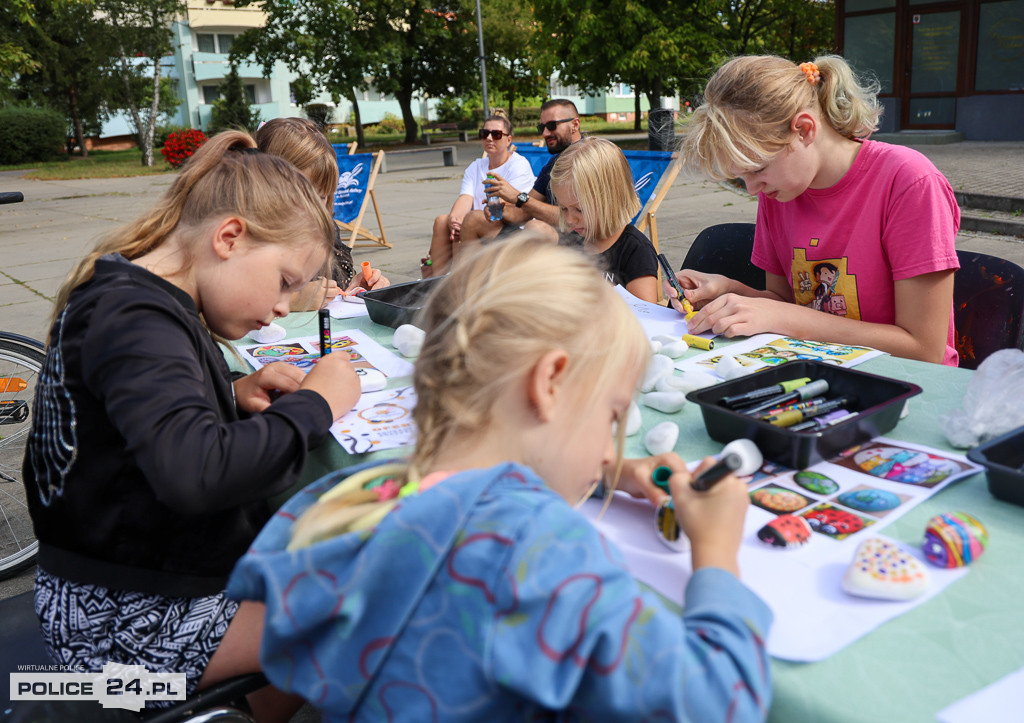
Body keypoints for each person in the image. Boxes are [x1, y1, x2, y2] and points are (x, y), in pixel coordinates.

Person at [228, 235, 773, 721]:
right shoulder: (540, 553)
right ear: (550, 380)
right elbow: (718, 703)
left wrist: (602, 474)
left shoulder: (351, 497)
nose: (610, 444)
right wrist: (718, 553)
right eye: (610, 417)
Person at [24, 130, 361, 718]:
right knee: (365, 607)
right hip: (119, 621)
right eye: (284, 280)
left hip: (109, 588)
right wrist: (319, 405)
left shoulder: (132, 294)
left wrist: (231, 396)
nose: (285, 306)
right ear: (229, 237)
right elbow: (196, 474)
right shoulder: (137, 320)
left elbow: (133, 430)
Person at [671, 55, 960, 366]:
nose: (752, 190)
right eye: (741, 176)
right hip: (817, 370)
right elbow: (783, 304)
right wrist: (726, 292)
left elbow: (924, 349)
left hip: (907, 382)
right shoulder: (780, 191)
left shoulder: (909, 182)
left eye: (758, 169)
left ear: (804, 130)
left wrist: (786, 317)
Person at [256, 116, 389, 310]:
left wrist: (354, 288)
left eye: (323, 197)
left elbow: (332, 282)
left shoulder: (322, 226)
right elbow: (222, 304)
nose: (317, 209)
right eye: (307, 197)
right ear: (268, 188)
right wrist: (291, 300)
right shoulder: (248, 240)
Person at [420, 109, 535, 277]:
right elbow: (465, 197)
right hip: (477, 222)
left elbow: (513, 208)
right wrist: (455, 219)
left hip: (509, 226)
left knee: (468, 221)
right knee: (442, 221)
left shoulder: (518, 165)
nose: (489, 138)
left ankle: (459, 283)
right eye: (484, 133)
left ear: (508, 139)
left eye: (495, 134)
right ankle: (438, 284)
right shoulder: (476, 166)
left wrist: (464, 222)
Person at [457, 98, 584, 246]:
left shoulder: (590, 160)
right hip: (543, 239)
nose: (545, 133)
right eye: (541, 127)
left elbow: (574, 218)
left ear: (575, 124)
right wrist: (500, 211)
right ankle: (469, 269)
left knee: (536, 229)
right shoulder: (552, 165)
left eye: (551, 125)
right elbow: (524, 212)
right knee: (474, 219)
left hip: (579, 244)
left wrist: (518, 197)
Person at [550, 137, 659, 302]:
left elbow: (645, 317)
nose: (570, 219)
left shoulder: (635, 250)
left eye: (579, 209)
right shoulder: (571, 242)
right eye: (563, 208)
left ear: (610, 199)